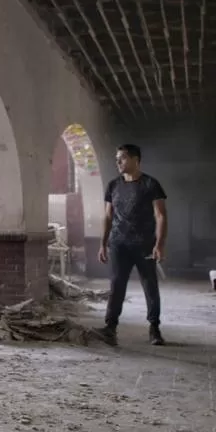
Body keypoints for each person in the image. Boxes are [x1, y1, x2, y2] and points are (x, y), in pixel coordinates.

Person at [93, 144, 168, 347]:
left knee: (149, 285)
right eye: (117, 158)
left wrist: (159, 244)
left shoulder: (150, 184)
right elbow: (108, 217)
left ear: (136, 160)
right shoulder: (113, 186)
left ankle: (154, 328)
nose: (118, 162)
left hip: (144, 245)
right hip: (119, 245)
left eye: (123, 158)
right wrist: (103, 244)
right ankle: (110, 328)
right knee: (116, 285)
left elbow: (160, 215)